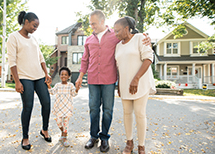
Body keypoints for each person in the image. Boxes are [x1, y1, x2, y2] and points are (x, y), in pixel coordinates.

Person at [75, 10, 151, 153]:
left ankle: (104, 138)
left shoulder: (115, 36)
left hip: (109, 79)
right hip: (92, 79)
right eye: (91, 23)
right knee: (93, 109)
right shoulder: (88, 39)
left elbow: (131, 38)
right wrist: (80, 77)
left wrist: (146, 37)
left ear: (103, 21)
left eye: (94, 23)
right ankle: (93, 136)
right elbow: (85, 59)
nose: (92, 26)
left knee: (108, 110)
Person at [7, 11, 52, 151]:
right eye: (34, 25)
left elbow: (41, 58)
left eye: (37, 26)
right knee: (28, 106)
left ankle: (44, 130)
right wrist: (17, 81)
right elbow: (12, 61)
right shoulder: (13, 37)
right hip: (24, 77)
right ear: (26, 21)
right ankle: (25, 137)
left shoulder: (33, 39)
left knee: (46, 102)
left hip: (38, 76)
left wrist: (46, 73)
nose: (35, 28)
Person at [114, 16, 156, 154]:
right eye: (114, 31)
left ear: (127, 28)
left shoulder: (140, 38)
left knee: (140, 113)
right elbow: (119, 66)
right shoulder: (118, 46)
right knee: (127, 113)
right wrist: (119, 84)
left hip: (140, 82)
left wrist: (136, 78)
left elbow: (149, 58)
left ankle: (141, 146)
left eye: (118, 31)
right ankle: (129, 142)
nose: (116, 34)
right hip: (125, 84)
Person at [46, 66, 79, 147]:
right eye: (62, 74)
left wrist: (77, 89)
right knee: (59, 122)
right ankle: (62, 132)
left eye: (65, 75)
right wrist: (49, 86)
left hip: (67, 108)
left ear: (68, 76)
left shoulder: (70, 85)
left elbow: (74, 94)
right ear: (60, 75)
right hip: (59, 108)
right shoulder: (57, 85)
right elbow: (52, 92)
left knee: (66, 124)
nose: (63, 76)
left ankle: (64, 137)